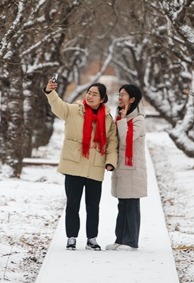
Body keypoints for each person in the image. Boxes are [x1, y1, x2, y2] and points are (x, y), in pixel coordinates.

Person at [44, 78, 118, 251]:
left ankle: (92, 238)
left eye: (95, 94)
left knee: (93, 206)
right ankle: (71, 237)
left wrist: (110, 162)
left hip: (95, 166)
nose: (90, 96)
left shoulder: (108, 120)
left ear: (102, 99)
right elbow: (58, 106)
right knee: (73, 204)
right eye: (89, 93)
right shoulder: (73, 110)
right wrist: (50, 92)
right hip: (74, 165)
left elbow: (112, 142)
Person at [106, 84, 147, 251]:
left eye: (123, 95)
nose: (119, 97)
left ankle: (131, 241)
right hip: (122, 168)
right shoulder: (120, 116)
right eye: (119, 94)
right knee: (122, 205)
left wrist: (122, 120)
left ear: (132, 99)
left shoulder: (138, 119)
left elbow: (126, 139)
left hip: (133, 168)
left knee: (131, 205)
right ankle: (120, 239)